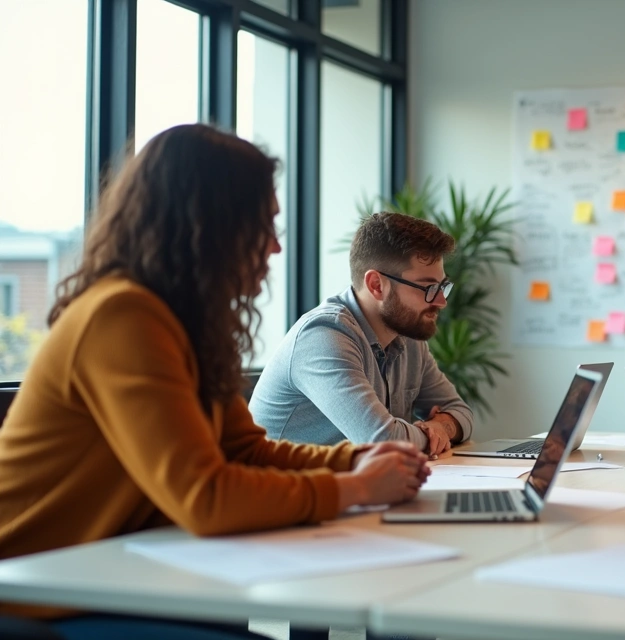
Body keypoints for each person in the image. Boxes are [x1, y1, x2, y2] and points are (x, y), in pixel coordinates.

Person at [0, 125, 429, 639]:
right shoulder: (122, 317)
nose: (274, 247)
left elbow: (245, 450)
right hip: (36, 591)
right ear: (209, 226)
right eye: (262, 225)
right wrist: (354, 487)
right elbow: (205, 498)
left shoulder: (187, 322)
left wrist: (355, 460)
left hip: (109, 573)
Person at [250, 213, 473, 458]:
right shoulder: (324, 336)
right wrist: (432, 432)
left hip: (351, 488)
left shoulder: (407, 336)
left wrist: (439, 427)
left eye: (442, 287)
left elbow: (461, 412)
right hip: (285, 491)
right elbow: (382, 440)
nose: (441, 302)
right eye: (429, 288)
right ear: (376, 284)